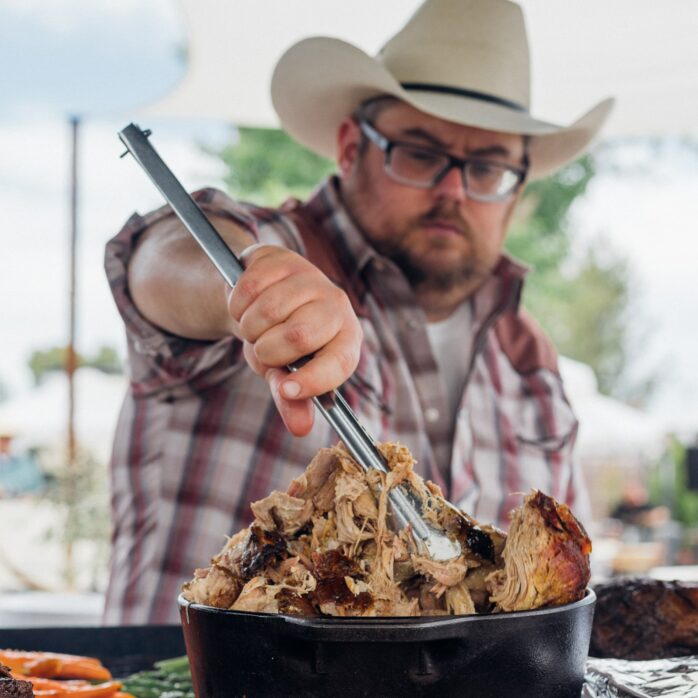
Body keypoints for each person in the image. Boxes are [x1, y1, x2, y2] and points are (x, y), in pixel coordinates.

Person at [104, 0, 614, 623]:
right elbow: (159, 260)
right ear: (351, 146)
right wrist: (255, 286)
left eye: (487, 166)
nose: (453, 190)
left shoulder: (528, 360)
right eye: (420, 152)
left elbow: (556, 602)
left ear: (518, 185)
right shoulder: (277, 247)